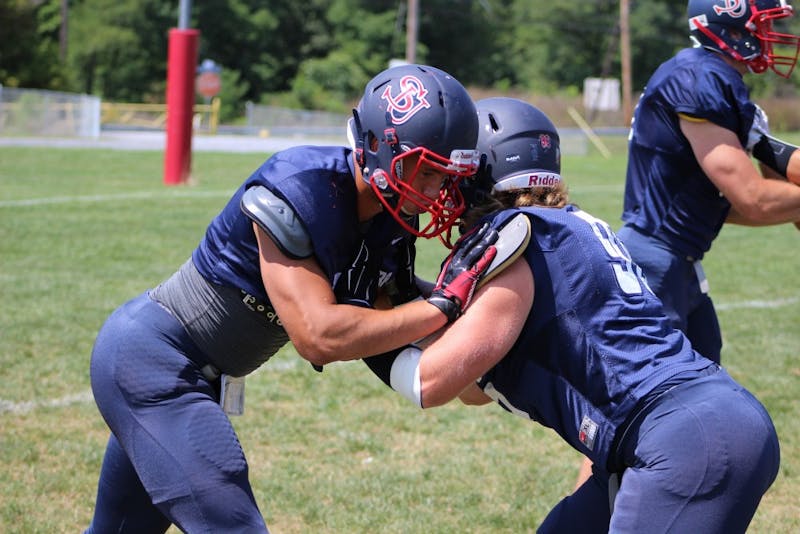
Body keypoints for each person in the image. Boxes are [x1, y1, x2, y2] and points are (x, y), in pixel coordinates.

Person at [84, 64, 499, 533]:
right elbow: (318, 335)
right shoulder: (300, 186)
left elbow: (398, 324)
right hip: (152, 365)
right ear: (377, 147)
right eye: (423, 171)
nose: (433, 191)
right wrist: (442, 303)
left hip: (191, 373)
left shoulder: (389, 221)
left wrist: (491, 333)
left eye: (444, 176)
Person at [364, 97, 780, 533]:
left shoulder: (517, 238)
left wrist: (364, 334)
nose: (442, 191)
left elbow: (433, 381)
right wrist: (410, 298)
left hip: (680, 440)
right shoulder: (566, 226)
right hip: (688, 426)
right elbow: (476, 384)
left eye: (453, 176)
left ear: (482, 174)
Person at [618, 0, 800, 364]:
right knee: (662, 394)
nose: (770, 36)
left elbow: (763, 186)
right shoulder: (697, 78)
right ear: (732, 28)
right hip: (655, 257)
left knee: (705, 370)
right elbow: (754, 199)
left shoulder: (715, 78)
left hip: (678, 258)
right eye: (761, 25)